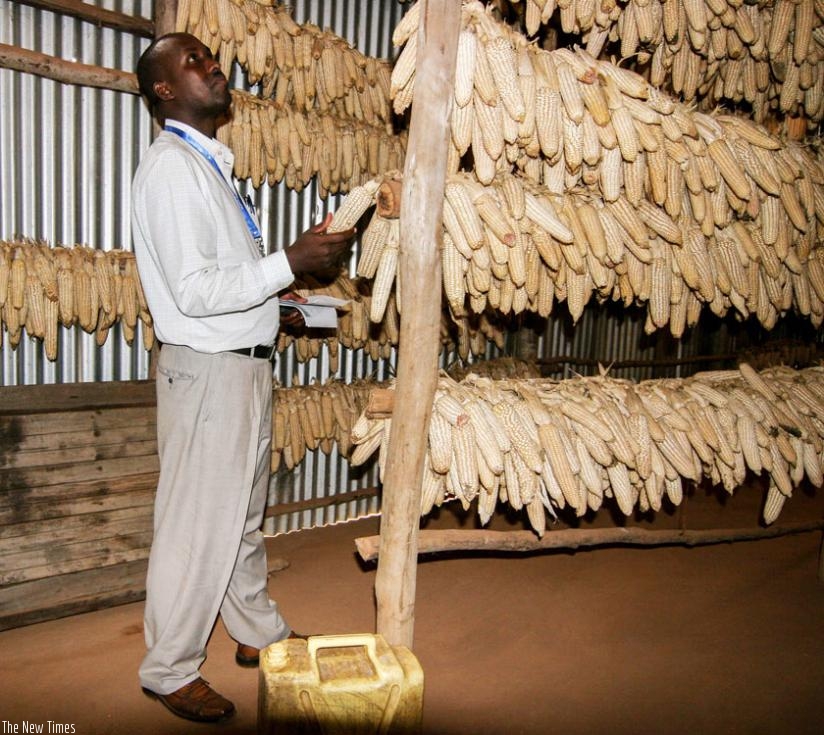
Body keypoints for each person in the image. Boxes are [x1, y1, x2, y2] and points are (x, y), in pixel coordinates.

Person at [131, 32, 355, 723]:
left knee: (242, 524)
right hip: (209, 378)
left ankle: (258, 633)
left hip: (243, 369)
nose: (213, 66)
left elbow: (223, 282)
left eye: (209, 56)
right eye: (192, 61)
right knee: (198, 525)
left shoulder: (210, 168)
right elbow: (194, 291)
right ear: (164, 90)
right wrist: (290, 259)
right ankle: (167, 667)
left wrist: (275, 306)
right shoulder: (171, 169)